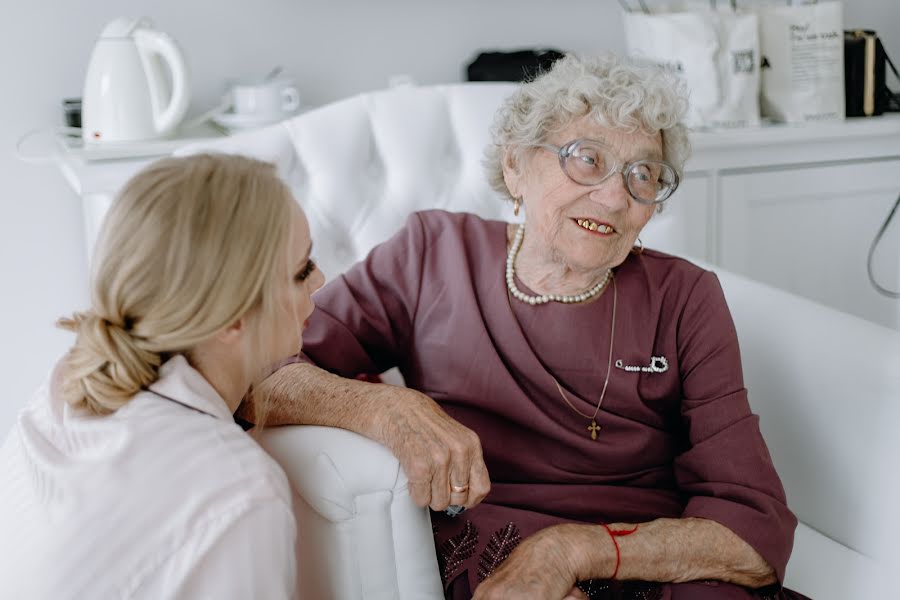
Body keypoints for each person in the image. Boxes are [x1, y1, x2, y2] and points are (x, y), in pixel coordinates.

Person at [251, 55, 808, 599]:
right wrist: (388, 408)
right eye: (586, 159)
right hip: (494, 548)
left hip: (642, 552)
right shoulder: (433, 254)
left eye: (643, 175)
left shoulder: (685, 297)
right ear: (516, 165)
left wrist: (573, 551)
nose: (615, 197)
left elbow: (752, 534)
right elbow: (260, 370)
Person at [0, 154, 325, 598]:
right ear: (232, 317)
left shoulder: (66, 387)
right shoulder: (237, 491)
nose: (321, 279)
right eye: (302, 270)